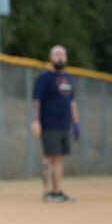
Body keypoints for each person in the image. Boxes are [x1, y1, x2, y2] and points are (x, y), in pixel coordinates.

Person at [31, 45, 80, 203]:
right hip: (49, 123)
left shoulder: (68, 79)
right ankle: (47, 192)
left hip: (64, 124)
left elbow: (72, 102)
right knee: (49, 157)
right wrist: (36, 120)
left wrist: (76, 124)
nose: (60, 57)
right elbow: (36, 100)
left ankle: (57, 192)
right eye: (57, 54)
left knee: (59, 158)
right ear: (51, 58)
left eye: (62, 54)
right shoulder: (44, 78)